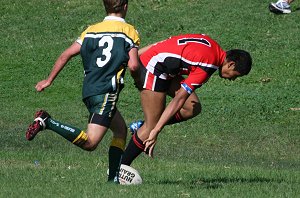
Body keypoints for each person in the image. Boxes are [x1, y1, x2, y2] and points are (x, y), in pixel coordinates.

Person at [25, 0, 140, 183]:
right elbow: (134, 65)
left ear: (105, 7)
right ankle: (47, 121)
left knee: (120, 130)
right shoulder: (129, 32)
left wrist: (48, 80)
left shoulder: (91, 30)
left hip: (89, 91)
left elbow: (66, 54)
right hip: (106, 93)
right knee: (90, 143)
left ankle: (113, 180)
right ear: (125, 7)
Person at [120, 34, 252, 167]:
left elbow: (166, 42)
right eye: (236, 75)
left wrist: (133, 58)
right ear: (231, 64)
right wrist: (156, 130)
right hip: (153, 69)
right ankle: (118, 170)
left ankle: (143, 125)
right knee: (151, 128)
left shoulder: (212, 45)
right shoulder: (209, 64)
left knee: (192, 107)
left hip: (163, 68)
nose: (233, 79)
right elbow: (179, 99)